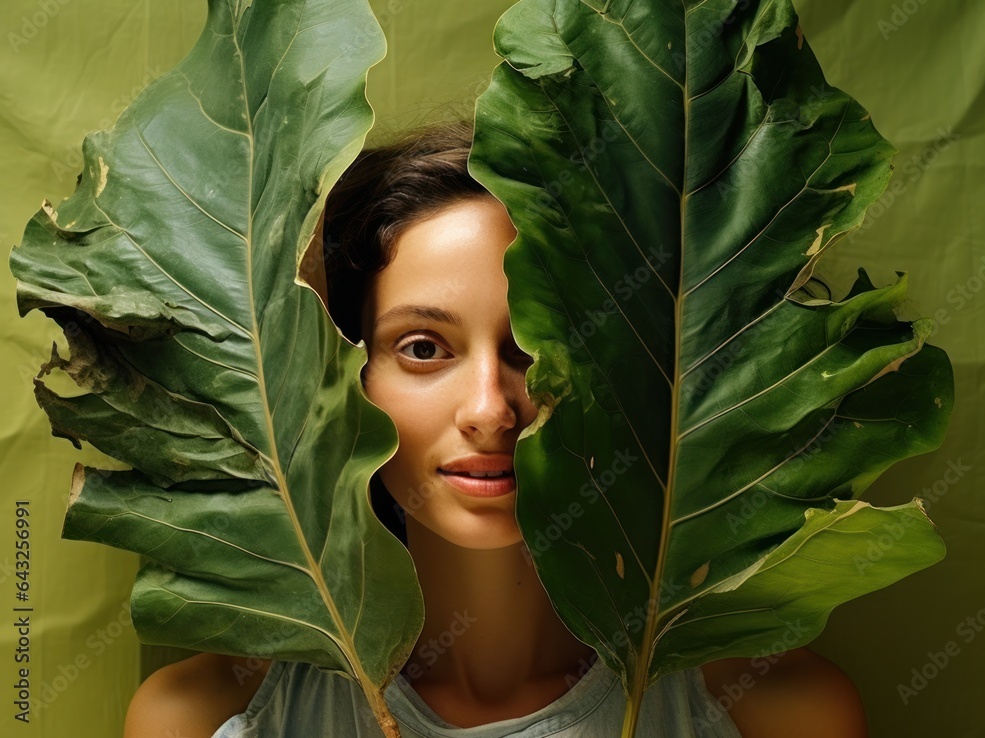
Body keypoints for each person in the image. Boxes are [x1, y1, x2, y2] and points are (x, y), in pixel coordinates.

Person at [123, 121, 869, 737]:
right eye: (423, 348)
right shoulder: (203, 718)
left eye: (538, 347)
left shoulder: (779, 714)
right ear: (340, 379)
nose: (490, 408)